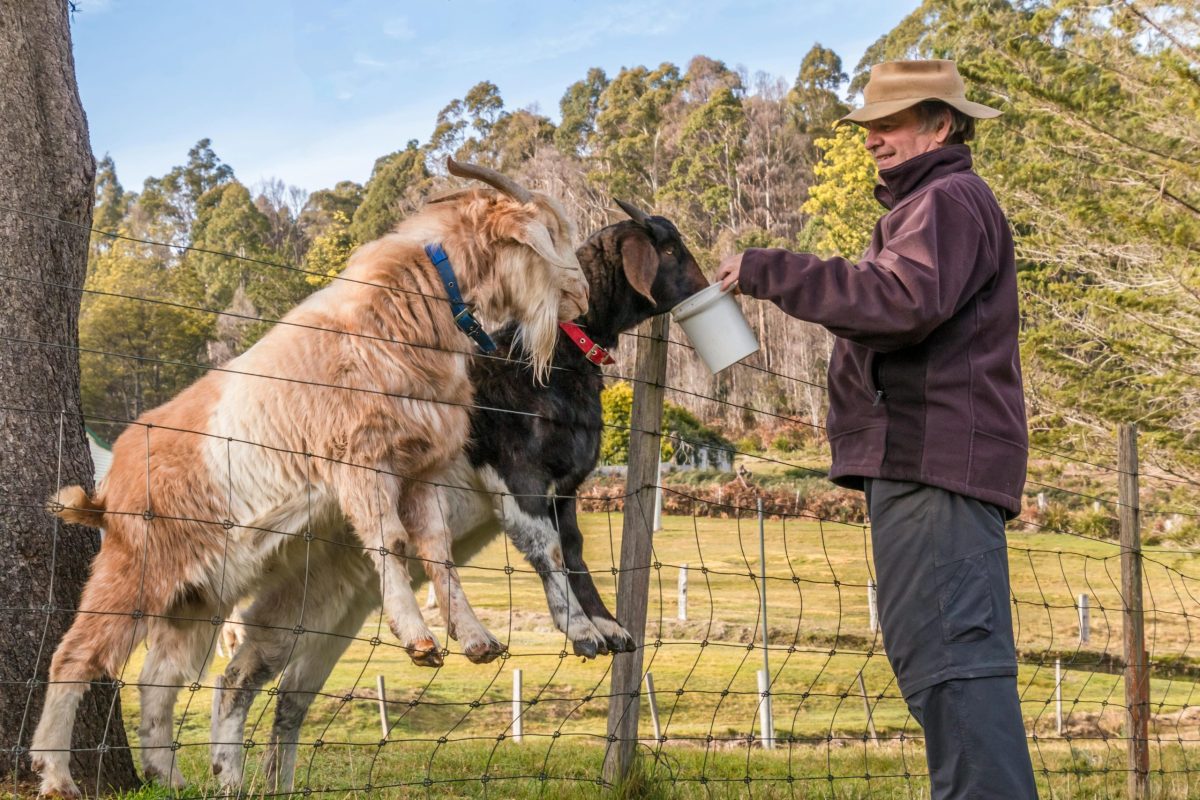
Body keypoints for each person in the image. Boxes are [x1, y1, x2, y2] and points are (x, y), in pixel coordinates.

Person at [716, 59, 1038, 799]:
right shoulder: (929, 206)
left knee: (956, 674)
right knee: (946, 672)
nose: (872, 139)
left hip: (936, 470)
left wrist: (772, 270)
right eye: (868, 125)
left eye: (890, 123)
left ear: (942, 123)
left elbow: (899, 303)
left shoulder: (949, 200)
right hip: (927, 469)